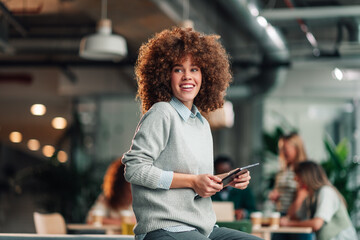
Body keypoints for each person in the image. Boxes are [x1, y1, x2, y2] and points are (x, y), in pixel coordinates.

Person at [122, 27, 261, 240]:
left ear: (205, 75)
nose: (187, 76)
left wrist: (227, 179)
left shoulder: (202, 124)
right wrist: (192, 181)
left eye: (194, 69)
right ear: (165, 75)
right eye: (178, 69)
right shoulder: (162, 112)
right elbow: (135, 169)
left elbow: (198, 181)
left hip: (204, 229)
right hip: (165, 228)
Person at [280, 161, 357, 240]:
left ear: (307, 177)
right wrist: (299, 197)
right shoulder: (310, 196)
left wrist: (289, 224)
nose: (296, 182)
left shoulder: (326, 192)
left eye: (298, 178)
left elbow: (316, 224)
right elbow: (296, 217)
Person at [268, 132, 308, 217]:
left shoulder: (304, 171)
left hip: (295, 218)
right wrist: (274, 195)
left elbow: (301, 198)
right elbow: (277, 191)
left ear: (296, 148)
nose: (282, 152)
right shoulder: (282, 171)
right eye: (281, 149)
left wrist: (288, 218)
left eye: (285, 149)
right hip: (281, 215)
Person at [86, 158, 135, 225]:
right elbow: (91, 219)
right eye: (128, 188)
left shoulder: (143, 198)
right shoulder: (108, 198)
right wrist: (123, 223)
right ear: (119, 185)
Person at [211, 155, 257, 220]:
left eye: (227, 173)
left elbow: (253, 211)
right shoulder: (209, 190)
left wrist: (244, 213)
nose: (225, 177)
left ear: (232, 172)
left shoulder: (244, 190)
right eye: (220, 173)